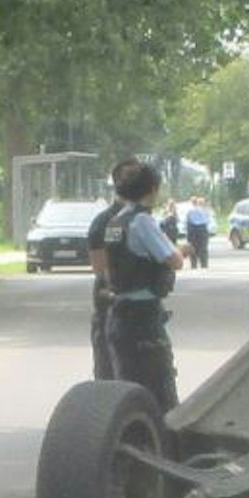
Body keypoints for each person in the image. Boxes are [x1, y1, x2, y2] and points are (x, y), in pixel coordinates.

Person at [101, 163, 185, 410]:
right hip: (143, 317)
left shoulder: (115, 222)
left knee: (129, 388)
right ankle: (162, 444)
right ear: (152, 189)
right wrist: (182, 250)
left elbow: (108, 268)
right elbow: (174, 260)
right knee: (159, 389)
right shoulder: (142, 222)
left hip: (118, 313)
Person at [86, 158, 144, 380]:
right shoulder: (105, 222)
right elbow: (102, 272)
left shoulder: (143, 217)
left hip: (140, 313)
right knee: (110, 378)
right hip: (113, 311)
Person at [183, 195, 213, 269]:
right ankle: (204, 264)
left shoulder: (189, 209)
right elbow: (208, 220)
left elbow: (186, 220)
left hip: (193, 229)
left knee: (193, 247)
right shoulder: (205, 210)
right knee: (203, 247)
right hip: (202, 229)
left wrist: (186, 229)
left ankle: (194, 264)